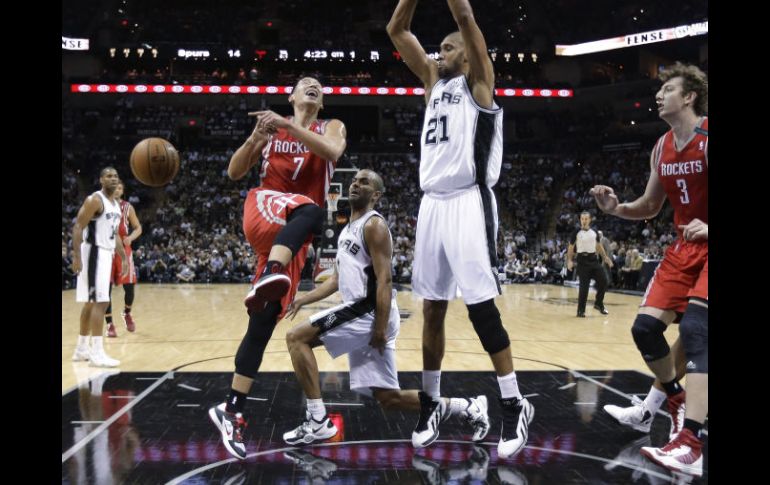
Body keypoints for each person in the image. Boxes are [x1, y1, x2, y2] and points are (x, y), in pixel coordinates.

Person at [387, 0, 532, 458]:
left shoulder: (479, 84)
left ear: (467, 55)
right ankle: (430, 401)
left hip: (469, 199)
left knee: (481, 308)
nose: (439, 52)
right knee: (431, 310)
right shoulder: (433, 83)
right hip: (431, 203)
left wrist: (461, 22)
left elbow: (466, 19)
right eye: (439, 48)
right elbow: (396, 28)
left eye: (448, 48)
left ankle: (513, 403)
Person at [282, 170, 489, 448]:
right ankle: (468, 407)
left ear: (376, 195)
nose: (356, 184)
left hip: (368, 312)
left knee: (297, 338)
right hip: (362, 312)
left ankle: (318, 422)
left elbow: (385, 279)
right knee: (388, 398)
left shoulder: (373, 225)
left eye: (365, 182)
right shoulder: (347, 230)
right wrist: (303, 299)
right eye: (355, 180)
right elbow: (336, 279)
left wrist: (379, 327)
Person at [209, 76, 347, 460]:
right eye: (304, 84)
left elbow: (333, 152)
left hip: (292, 239)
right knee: (313, 209)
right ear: (290, 96)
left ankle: (231, 410)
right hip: (269, 204)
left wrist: (288, 126)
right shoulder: (270, 128)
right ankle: (273, 267)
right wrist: (256, 138)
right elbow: (235, 171)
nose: (313, 86)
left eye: (318, 85)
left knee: (263, 321)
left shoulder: (329, 126)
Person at [591, 62, 708, 477]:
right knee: (644, 329)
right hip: (682, 249)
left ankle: (691, 443)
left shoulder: (709, 138)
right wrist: (617, 208)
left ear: (689, 96)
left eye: (668, 89)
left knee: (695, 331)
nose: (659, 95)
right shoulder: (661, 146)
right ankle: (671, 403)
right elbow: (651, 206)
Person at [71, 167, 128, 367]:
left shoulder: (115, 205)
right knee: (100, 303)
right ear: (101, 180)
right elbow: (78, 226)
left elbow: (115, 235)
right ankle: (96, 353)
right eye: (109, 176)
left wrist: (124, 258)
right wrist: (77, 256)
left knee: (90, 302)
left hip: (106, 253)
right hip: (94, 252)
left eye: (115, 176)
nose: (113, 178)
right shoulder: (95, 200)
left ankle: (81, 349)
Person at [105, 181, 142, 337]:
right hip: (106, 247)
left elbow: (138, 227)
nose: (117, 190)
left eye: (120, 188)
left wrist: (131, 238)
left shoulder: (128, 207)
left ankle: (126, 313)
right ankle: (109, 324)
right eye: (114, 187)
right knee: (105, 289)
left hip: (124, 249)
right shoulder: (102, 205)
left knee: (129, 287)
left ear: (122, 191)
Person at [566, 211, 613, 317]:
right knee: (584, 288)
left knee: (604, 282)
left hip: (593, 260)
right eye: (582, 219)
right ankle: (581, 311)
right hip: (582, 261)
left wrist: (605, 257)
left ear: (590, 220)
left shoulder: (594, 232)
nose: (584, 221)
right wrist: (569, 260)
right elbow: (571, 247)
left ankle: (598, 303)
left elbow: (599, 246)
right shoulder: (576, 232)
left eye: (586, 219)